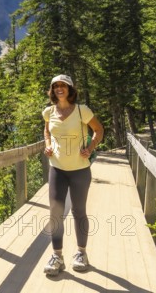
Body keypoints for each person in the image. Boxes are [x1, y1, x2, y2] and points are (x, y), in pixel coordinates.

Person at [41, 74, 104, 276]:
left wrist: (91, 147)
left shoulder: (81, 110)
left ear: (70, 89)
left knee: (79, 212)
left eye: (63, 86)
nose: (60, 89)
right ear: (52, 90)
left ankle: (81, 253)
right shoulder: (48, 112)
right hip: (57, 169)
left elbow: (98, 129)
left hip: (79, 170)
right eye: (56, 86)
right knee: (55, 213)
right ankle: (57, 257)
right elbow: (47, 132)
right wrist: (48, 146)